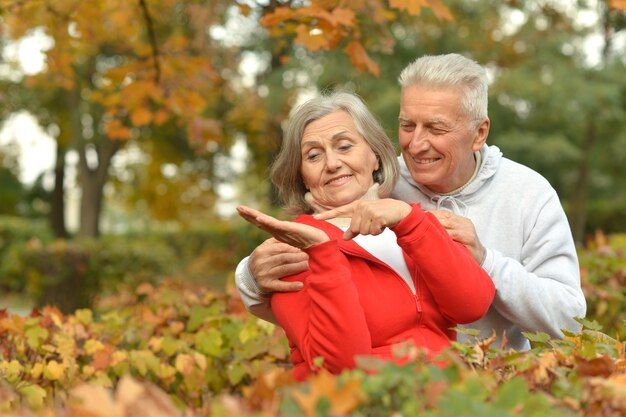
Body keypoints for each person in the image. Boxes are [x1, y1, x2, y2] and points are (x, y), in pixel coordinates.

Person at [236, 53, 587, 352]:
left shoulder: (528, 194)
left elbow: (569, 319)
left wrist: (487, 261)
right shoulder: (380, 181)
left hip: (493, 377)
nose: (416, 145)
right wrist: (251, 275)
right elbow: (314, 262)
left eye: (435, 128)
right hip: (394, 381)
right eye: (407, 125)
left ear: (479, 133)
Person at [237, 91, 495, 380]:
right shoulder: (294, 247)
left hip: (445, 396)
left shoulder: (413, 221)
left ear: (375, 155)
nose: (332, 163)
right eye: (313, 155)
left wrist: (412, 223)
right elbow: (339, 365)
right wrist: (322, 253)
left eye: (344, 146)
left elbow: (472, 305)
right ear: (301, 175)